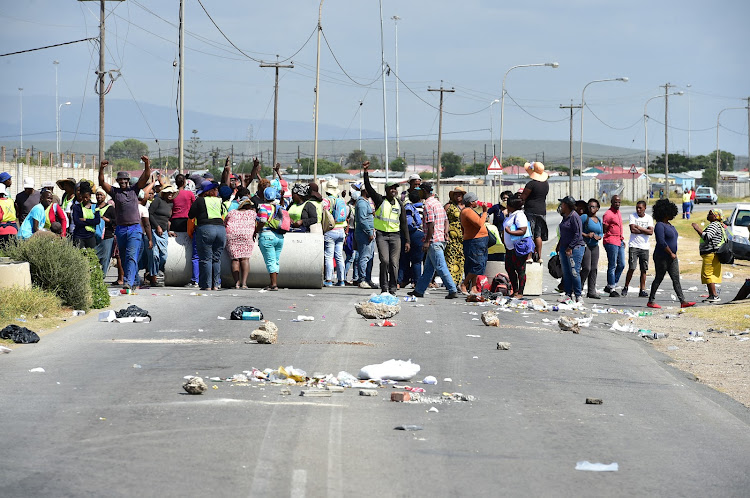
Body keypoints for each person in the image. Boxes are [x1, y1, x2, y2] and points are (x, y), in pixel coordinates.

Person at [99, 157, 151, 290]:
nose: (123, 182)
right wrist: (101, 168)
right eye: (120, 180)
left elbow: (145, 177)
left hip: (134, 228)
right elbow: (101, 182)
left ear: (128, 181)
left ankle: (128, 282)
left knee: (131, 256)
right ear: (117, 181)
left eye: (125, 180)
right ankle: (135, 281)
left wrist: (146, 163)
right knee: (123, 257)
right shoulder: (115, 193)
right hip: (121, 229)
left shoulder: (134, 190)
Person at [363, 161, 410, 295]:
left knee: (394, 263)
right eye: (391, 188)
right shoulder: (379, 200)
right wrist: (366, 172)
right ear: (386, 190)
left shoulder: (399, 204)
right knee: (385, 260)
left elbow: (404, 223)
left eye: (395, 188)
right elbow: (369, 188)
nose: (393, 190)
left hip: (395, 236)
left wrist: (407, 240)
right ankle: (384, 287)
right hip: (382, 235)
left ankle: (393, 287)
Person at [408, 182, 459, 299]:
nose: (418, 193)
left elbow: (431, 223)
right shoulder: (437, 203)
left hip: (433, 241)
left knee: (440, 266)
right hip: (440, 239)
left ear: (424, 191)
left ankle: (452, 289)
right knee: (429, 269)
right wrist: (445, 233)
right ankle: (419, 290)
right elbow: (446, 220)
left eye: (419, 190)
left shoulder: (428, 205)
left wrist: (427, 241)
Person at [648, 199, 696, 309]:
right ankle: (651, 300)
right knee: (659, 277)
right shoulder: (660, 225)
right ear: (665, 212)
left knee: (676, 279)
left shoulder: (669, 225)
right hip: (662, 256)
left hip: (672, 256)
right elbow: (661, 242)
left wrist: (673, 254)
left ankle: (683, 301)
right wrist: (670, 253)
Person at [188, 180, 227, 291]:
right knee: (216, 259)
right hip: (220, 229)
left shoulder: (200, 200)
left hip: (205, 229)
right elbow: (224, 214)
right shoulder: (220, 201)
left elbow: (190, 215)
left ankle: (206, 285)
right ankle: (216, 285)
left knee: (206, 259)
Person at [255, 187, 285, 291]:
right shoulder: (280, 207)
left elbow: (262, 220)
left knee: (270, 261)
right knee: (275, 261)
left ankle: (274, 284)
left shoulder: (263, 207)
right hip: (279, 237)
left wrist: (255, 231)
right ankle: (272, 283)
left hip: (267, 235)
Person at [692, 209, 725, 303]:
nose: (708, 215)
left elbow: (707, 237)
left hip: (711, 254)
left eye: (710, 214)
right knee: (710, 274)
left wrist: (697, 228)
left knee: (707, 274)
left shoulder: (714, 225)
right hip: (712, 254)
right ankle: (712, 295)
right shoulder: (717, 225)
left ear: (715, 216)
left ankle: (714, 295)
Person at [557, 195, 585, 304]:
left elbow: (578, 234)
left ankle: (578, 295)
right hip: (564, 247)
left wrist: (570, 247)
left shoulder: (574, 216)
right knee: (566, 272)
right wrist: (560, 245)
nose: (561, 206)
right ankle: (568, 294)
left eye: (563, 204)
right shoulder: (565, 216)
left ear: (567, 205)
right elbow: (564, 232)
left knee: (574, 271)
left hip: (575, 248)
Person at [459, 192, 489, 295]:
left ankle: (474, 287)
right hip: (475, 241)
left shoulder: (469, 211)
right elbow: (479, 224)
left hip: (477, 240)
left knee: (475, 264)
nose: (477, 202)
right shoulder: (467, 211)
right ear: (471, 202)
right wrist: (485, 212)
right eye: (475, 201)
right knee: (478, 264)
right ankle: (464, 284)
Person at [622, 201, 654, 297]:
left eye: (640, 208)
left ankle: (642, 289)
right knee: (632, 267)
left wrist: (639, 228)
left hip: (644, 246)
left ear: (645, 208)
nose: (638, 210)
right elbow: (632, 230)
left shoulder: (649, 218)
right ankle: (626, 287)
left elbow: (650, 232)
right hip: (634, 245)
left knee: (644, 269)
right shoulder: (633, 216)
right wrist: (645, 230)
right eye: (637, 208)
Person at [520, 161, 550, 262]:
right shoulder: (546, 184)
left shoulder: (531, 184)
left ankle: (529, 256)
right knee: (538, 234)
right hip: (542, 210)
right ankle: (539, 257)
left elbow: (523, 197)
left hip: (531, 210)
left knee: (529, 233)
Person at [224, 196, 257, 289]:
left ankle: (237, 283)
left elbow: (225, 223)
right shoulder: (252, 213)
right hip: (247, 235)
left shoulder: (231, 213)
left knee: (235, 260)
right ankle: (244, 283)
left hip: (232, 236)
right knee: (245, 259)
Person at [147, 184, 176, 287]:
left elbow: (167, 220)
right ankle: (153, 276)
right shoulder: (157, 201)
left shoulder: (171, 204)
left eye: (172, 193)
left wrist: (168, 230)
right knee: (154, 255)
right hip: (154, 230)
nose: (170, 194)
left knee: (164, 255)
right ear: (164, 193)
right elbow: (149, 214)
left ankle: (156, 272)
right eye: (168, 192)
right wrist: (157, 226)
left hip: (163, 232)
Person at [503, 196, 532, 298]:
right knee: (509, 268)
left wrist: (509, 232)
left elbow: (522, 230)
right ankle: (515, 290)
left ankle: (520, 292)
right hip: (510, 248)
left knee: (520, 269)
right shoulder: (511, 215)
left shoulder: (520, 215)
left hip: (518, 247)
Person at [323, 183, 348, 287]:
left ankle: (329, 280)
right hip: (341, 230)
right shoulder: (342, 201)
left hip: (331, 230)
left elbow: (323, 213)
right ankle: (341, 280)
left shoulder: (326, 201)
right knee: (339, 256)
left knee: (329, 256)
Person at [399, 190, 424, 288]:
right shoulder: (424, 207)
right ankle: (416, 282)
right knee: (417, 261)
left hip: (406, 234)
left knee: (404, 259)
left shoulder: (407, 207)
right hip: (419, 234)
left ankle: (400, 281)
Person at [354, 181, 376, 289]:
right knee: (364, 256)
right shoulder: (362, 203)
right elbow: (362, 220)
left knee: (369, 257)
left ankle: (367, 279)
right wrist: (369, 232)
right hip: (364, 234)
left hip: (368, 233)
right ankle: (362, 279)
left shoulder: (366, 202)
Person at [602, 195, 625, 297]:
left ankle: (611, 284)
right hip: (611, 241)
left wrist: (621, 238)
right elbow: (604, 229)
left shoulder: (618, 212)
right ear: (611, 202)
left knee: (622, 264)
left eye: (619, 202)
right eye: (616, 202)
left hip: (619, 241)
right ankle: (612, 288)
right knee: (612, 265)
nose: (618, 204)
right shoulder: (608, 214)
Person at [580, 199, 603, 299]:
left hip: (595, 246)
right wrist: (586, 235)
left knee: (594, 268)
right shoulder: (584, 217)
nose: (591, 208)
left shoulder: (598, 220)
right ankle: (578, 288)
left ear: (597, 208)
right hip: (586, 245)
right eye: (589, 206)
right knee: (586, 268)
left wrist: (599, 236)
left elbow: (601, 232)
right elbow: (577, 230)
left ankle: (591, 291)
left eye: (593, 207)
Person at [445, 186, 466, 291]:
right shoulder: (449, 206)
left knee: (460, 260)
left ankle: (458, 282)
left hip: (463, 238)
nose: (458, 196)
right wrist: (445, 232)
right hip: (451, 238)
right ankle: (451, 283)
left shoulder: (465, 207)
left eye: (460, 194)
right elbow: (444, 219)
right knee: (450, 259)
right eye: (456, 194)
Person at [95, 187, 117, 276]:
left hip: (107, 236)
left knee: (105, 257)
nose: (99, 196)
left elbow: (116, 221)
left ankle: (102, 275)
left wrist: (107, 220)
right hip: (95, 235)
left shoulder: (110, 208)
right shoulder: (93, 207)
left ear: (105, 196)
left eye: (101, 195)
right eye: (97, 194)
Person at [70, 182, 100, 249]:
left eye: (86, 197)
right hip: (79, 235)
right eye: (83, 197)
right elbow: (77, 222)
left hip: (90, 236)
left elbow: (97, 221)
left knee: (92, 255)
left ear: (90, 196)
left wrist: (85, 219)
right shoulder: (76, 207)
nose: (85, 199)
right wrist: (91, 222)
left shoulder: (95, 206)